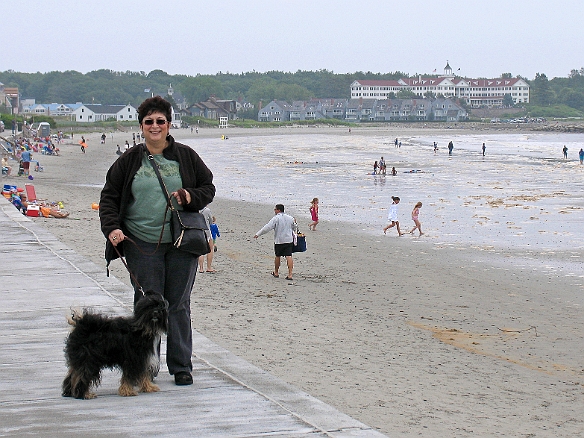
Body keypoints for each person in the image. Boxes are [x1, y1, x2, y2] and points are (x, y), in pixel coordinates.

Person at [99, 96, 215, 386]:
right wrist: (112, 229)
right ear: (141, 126)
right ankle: (145, 366)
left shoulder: (186, 156)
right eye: (149, 121)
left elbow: (207, 187)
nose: (154, 126)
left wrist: (190, 196)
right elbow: (109, 197)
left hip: (181, 243)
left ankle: (181, 366)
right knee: (147, 305)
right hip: (140, 243)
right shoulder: (129, 160)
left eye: (160, 121)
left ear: (169, 124)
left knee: (177, 304)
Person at [254, 204, 295, 280]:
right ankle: (290, 274)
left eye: (275, 209)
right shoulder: (290, 218)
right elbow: (294, 227)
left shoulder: (276, 218)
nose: (274, 211)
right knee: (289, 256)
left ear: (278, 210)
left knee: (278, 256)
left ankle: (276, 272)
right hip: (289, 239)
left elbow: (268, 227)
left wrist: (258, 234)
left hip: (279, 240)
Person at [198, 205, 215, 273]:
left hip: (198, 232)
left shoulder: (196, 210)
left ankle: (201, 268)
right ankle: (209, 267)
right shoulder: (207, 210)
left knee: (200, 251)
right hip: (207, 232)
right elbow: (211, 222)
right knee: (210, 249)